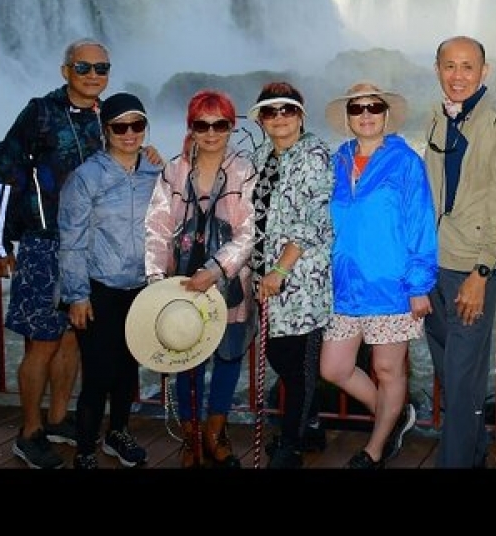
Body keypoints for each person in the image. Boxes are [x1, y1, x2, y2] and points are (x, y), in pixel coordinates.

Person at [0, 37, 160, 470]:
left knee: (72, 341)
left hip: (93, 251)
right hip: (46, 244)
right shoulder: (41, 114)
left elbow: (126, 164)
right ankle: (29, 432)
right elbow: (3, 172)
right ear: (66, 71)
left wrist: (149, 153)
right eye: (84, 68)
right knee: (42, 342)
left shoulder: (107, 116)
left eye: (102, 68)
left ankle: (59, 418)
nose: (93, 75)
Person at [320, 82, 437, 469]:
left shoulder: (405, 162)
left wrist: (419, 286)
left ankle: (375, 446)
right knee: (333, 368)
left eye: (374, 107)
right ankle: (394, 415)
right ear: (349, 117)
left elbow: (421, 225)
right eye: (357, 108)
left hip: (391, 285)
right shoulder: (337, 160)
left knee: (387, 369)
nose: (366, 114)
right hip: (345, 286)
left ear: (386, 115)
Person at [422, 36, 496, 468]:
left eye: (468, 67)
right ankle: (478, 448)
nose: (458, 75)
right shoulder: (436, 118)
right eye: (450, 66)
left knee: (462, 380)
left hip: (470, 272)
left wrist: (481, 274)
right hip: (433, 267)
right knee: (451, 374)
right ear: (437, 69)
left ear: (485, 72)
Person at [144, 89, 258, 469]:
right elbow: (157, 228)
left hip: (228, 282)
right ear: (191, 127)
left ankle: (216, 432)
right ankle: (192, 437)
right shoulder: (173, 170)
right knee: (187, 358)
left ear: (231, 127)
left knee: (228, 357)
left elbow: (250, 231)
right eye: (202, 125)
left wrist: (217, 268)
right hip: (181, 284)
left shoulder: (245, 170)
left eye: (220, 124)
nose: (211, 133)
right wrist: (156, 281)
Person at [57, 92, 161, 469]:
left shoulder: (155, 172)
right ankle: (85, 449)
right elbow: (70, 239)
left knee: (127, 368)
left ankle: (118, 434)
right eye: (120, 126)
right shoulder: (87, 177)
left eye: (137, 125)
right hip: (99, 287)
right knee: (98, 374)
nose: (129, 133)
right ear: (106, 131)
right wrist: (77, 296)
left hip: (141, 288)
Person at [247, 81, 335, 469]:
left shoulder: (314, 153)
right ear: (261, 120)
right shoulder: (261, 153)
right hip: (268, 277)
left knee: (296, 362)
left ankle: (292, 445)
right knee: (284, 356)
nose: (279, 117)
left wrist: (280, 268)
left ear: (300, 115)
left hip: (301, 279)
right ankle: (311, 425)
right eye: (270, 111)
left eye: (287, 110)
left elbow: (313, 219)